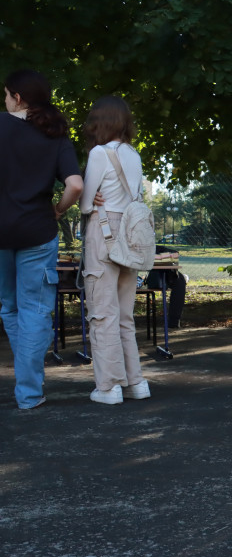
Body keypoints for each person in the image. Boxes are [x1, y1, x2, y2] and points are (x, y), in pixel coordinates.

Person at [0, 70, 83, 410]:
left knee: (10, 308)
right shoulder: (55, 134)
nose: (4, 101)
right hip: (37, 232)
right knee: (35, 312)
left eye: (5, 95)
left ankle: (27, 383)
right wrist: (59, 211)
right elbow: (75, 185)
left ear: (17, 97)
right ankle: (29, 393)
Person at [78, 96, 150, 404]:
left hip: (103, 231)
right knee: (124, 316)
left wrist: (89, 199)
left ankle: (108, 387)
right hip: (131, 234)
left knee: (101, 314)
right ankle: (136, 383)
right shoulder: (133, 154)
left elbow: (85, 202)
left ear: (100, 122)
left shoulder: (98, 153)